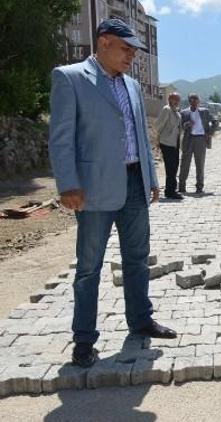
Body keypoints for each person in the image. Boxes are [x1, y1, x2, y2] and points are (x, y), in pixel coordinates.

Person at [48, 18, 177, 368]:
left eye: (135, 51)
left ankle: (140, 321)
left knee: (138, 258)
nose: (132, 56)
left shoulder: (133, 86)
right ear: (104, 42)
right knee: (89, 268)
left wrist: (151, 177)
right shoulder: (70, 77)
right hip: (92, 190)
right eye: (126, 48)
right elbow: (61, 138)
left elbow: (139, 134)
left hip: (134, 183)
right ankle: (84, 340)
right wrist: (68, 185)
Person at [178, 93, 212, 194]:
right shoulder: (184, 112)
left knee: (200, 164)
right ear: (189, 101)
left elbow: (214, 122)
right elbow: (180, 126)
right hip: (188, 139)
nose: (194, 102)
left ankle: (199, 187)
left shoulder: (205, 112)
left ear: (199, 101)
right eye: (191, 100)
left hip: (201, 140)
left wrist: (209, 133)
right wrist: (187, 124)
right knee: (184, 164)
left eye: (196, 100)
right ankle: (181, 186)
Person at [155, 92, 183, 199]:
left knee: (174, 167)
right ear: (170, 99)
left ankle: (171, 189)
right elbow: (158, 125)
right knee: (170, 168)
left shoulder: (176, 112)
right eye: (175, 99)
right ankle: (170, 191)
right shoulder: (166, 110)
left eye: (178, 99)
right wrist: (159, 138)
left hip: (175, 144)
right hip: (166, 143)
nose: (177, 101)